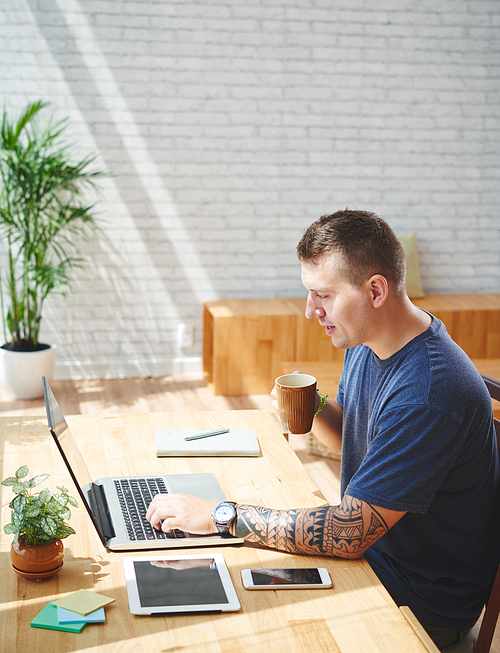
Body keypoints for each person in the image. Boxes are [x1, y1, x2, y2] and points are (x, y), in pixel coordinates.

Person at [146, 208, 500, 649]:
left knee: (232, 613)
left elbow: (348, 533)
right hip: (374, 557)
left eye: (323, 295)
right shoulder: (369, 339)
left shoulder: (428, 391)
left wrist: (223, 514)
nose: (311, 310)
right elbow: (352, 433)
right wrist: (310, 406)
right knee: (208, 572)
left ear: (375, 290)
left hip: (417, 600)